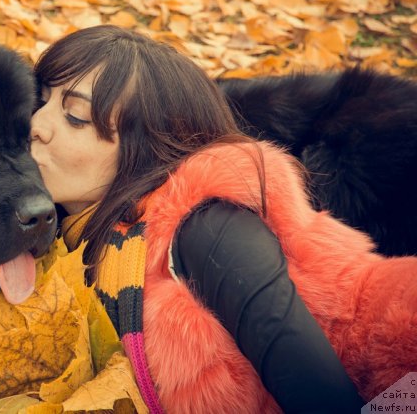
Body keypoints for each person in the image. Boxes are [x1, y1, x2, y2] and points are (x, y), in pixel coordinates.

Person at [29, 25, 416, 413]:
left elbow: (329, 402)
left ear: (142, 147)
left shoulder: (204, 226)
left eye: (75, 116)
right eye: (40, 102)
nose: (36, 126)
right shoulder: (81, 243)